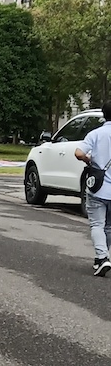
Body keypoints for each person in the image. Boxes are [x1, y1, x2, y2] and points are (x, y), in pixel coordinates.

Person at [75, 104, 111, 276]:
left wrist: (89, 160)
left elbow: (78, 153)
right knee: (109, 226)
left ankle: (102, 258)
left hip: (98, 188)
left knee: (97, 224)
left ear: (104, 115)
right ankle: (101, 258)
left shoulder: (96, 134)